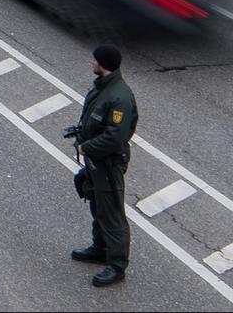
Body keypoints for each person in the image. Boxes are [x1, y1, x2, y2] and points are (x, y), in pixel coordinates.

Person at [69, 45, 138, 288]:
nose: (91, 62)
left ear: (103, 64)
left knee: (112, 214)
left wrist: (86, 147)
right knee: (97, 205)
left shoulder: (119, 97)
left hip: (107, 163)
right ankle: (100, 249)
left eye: (94, 60)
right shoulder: (104, 88)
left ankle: (117, 265)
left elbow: (115, 137)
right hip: (97, 161)